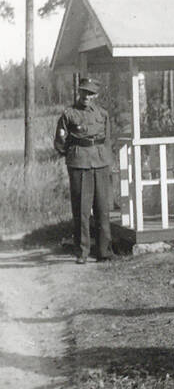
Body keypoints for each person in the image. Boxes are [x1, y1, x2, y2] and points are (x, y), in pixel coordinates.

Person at [54, 77, 114, 264]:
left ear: (95, 95)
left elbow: (107, 139)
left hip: (100, 163)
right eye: (83, 92)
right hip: (79, 164)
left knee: (103, 208)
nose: (86, 96)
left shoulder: (103, 114)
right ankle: (82, 252)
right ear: (78, 92)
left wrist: (107, 160)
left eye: (90, 93)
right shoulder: (69, 114)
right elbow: (60, 141)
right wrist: (73, 154)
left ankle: (104, 252)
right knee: (81, 209)